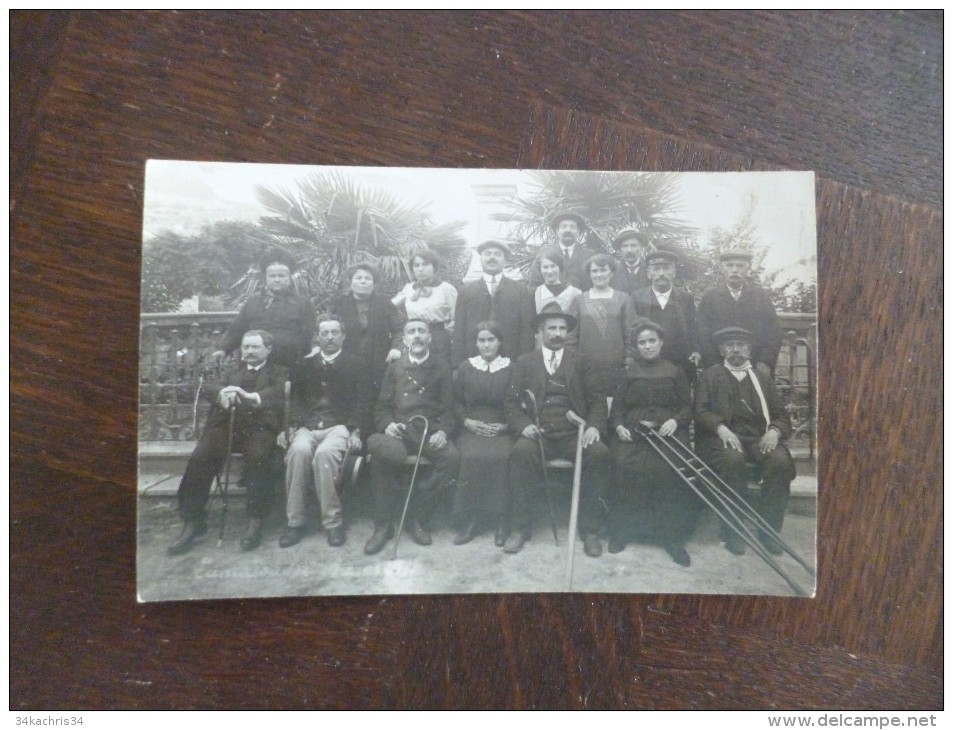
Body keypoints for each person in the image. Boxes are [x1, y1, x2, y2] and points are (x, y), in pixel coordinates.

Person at [502, 306, 610, 556]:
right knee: (520, 454)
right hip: (539, 433)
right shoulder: (525, 362)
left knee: (600, 454)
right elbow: (510, 402)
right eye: (552, 328)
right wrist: (524, 425)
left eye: (562, 328)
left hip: (575, 433)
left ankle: (590, 529)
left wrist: (593, 427)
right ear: (540, 332)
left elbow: (597, 399)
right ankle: (520, 527)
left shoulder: (582, 362)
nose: (558, 333)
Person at [168, 330, 287, 555]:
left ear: (268, 350)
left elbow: (281, 391)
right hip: (228, 427)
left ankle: (255, 519)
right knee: (200, 456)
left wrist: (253, 397)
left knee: (260, 457)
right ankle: (193, 521)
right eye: (246, 347)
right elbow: (209, 387)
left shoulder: (278, 372)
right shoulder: (232, 372)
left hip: (260, 428)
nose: (249, 352)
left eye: (255, 347)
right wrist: (223, 393)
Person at [694, 327, 796, 556]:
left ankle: (769, 531)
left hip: (759, 438)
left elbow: (781, 415)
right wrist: (720, 427)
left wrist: (774, 432)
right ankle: (733, 532)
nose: (735, 350)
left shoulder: (761, 378)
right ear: (722, 350)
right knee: (732, 461)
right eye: (730, 346)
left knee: (779, 462)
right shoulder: (710, 376)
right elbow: (701, 412)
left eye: (740, 345)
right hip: (723, 438)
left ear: (749, 350)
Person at [364, 319, 461, 555]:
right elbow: (382, 406)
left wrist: (443, 431)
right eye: (411, 332)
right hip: (401, 430)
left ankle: (417, 517)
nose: (416, 336)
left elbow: (450, 408)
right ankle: (383, 524)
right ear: (405, 339)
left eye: (421, 331)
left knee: (451, 458)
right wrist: (387, 425)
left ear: (430, 337)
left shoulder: (442, 367)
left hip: (429, 431)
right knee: (382, 455)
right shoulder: (396, 367)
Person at [610, 320, 701, 566]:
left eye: (652, 341)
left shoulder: (675, 371)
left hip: (668, 433)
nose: (647, 346)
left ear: (661, 343)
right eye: (642, 342)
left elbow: (687, 407)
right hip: (634, 431)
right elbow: (617, 408)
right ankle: (623, 531)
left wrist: (675, 420)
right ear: (636, 347)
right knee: (624, 466)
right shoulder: (627, 372)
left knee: (669, 470)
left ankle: (672, 538)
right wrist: (618, 426)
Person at [278, 316, 369, 549]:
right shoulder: (304, 365)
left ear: (343, 336)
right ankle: (295, 521)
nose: (330, 338)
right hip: (307, 426)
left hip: (338, 426)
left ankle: (332, 522)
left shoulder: (356, 364)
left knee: (325, 455)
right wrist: (291, 425)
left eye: (334, 333)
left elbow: (363, 401)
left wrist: (356, 430)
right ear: (318, 337)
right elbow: (296, 399)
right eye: (325, 333)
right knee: (298, 452)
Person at [451, 321, 514, 546]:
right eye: (482, 340)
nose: (486, 345)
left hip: (502, 427)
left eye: (491, 340)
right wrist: (467, 422)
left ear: (499, 342)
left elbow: (516, 404)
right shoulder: (466, 367)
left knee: (503, 456)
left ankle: (501, 520)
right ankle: (473, 519)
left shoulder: (510, 367)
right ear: (476, 343)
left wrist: (506, 426)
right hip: (471, 427)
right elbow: (455, 402)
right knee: (470, 456)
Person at [214, 252, 315, 368]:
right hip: (255, 366)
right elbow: (237, 330)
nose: (277, 279)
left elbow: (310, 335)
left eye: (281, 276)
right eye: (272, 276)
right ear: (266, 278)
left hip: (289, 366)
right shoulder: (253, 302)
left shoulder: (303, 304)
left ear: (289, 278)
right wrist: (223, 349)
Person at [697, 248, 783, 373]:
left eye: (740, 266)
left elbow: (774, 331)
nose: (734, 270)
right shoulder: (710, 297)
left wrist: (765, 361)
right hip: (720, 365)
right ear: (722, 268)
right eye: (730, 265)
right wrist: (712, 363)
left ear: (747, 269)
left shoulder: (760, 296)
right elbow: (702, 332)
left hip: (755, 364)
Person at [452, 240, 534, 366]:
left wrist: (523, 364)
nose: (492, 257)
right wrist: (458, 365)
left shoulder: (520, 290)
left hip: (510, 360)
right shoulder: (466, 291)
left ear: (505, 260)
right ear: (480, 259)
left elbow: (527, 331)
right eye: (487, 254)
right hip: (474, 361)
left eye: (497, 254)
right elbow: (459, 331)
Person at [327, 263, 404, 394]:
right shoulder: (338, 303)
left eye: (368, 278)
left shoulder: (384, 303)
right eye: (358, 278)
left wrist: (396, 348)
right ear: (351, 282)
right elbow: (325, 329)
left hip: (379, 364)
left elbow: (399, 329)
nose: (363, 281)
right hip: (346, 363)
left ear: (374, 283)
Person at [567, 253, 633, 398]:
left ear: (612, 273)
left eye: (603, 270)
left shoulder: (623, 299)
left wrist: (629, 359)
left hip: (616, 364)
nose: (599, 274)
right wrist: (572, 360)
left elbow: (629, 332)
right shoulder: (579, 300)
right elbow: (571, 335)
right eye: (594, 271)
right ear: (589, 274)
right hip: (586, 365)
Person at [629, 249, 702, 379]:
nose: (661, 273)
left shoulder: (686, 298)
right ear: (649, 273)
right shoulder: (637, 297)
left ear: (674, 273)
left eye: (666, 268)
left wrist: (696, 350)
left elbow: (692, 328)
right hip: (646, 363)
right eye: (656, 269)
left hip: (679, 363)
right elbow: (632, 331)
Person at [391, 249, 458, 364]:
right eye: (416, 265)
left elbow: (457, 318)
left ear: (434, 267)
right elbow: (389, 306)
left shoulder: (446, 289)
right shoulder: (409, 288)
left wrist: (444, 332)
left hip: (437, 338)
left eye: (425, 264)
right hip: (414, 336)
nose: (421, 269)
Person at [531, 211, 597, 290]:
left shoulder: (589, 255)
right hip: (552, 301)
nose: (568, 230)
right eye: (563, 226)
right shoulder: (544, 254)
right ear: (557, 231)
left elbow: (596, 284)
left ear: (578, 232)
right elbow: (534, 284)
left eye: (572, 227)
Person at [532, 249, 582, 314]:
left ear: (559, 267)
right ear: (540, 269)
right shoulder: (536, 293)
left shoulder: (575, 293)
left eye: (553, 266)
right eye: (545, 267)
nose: (550, 271)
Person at [609, 227, 652, 295]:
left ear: (641, 248)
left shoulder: (651, 269)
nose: (629, 250)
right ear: (620, 250)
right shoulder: (612, 272)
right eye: (625, 246)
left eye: (634, 245)